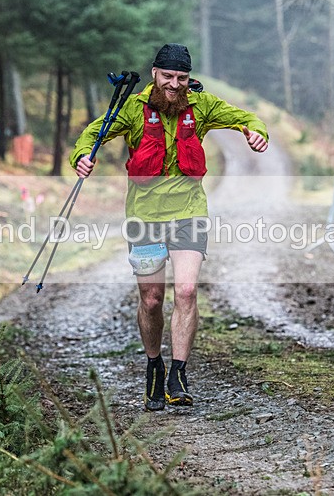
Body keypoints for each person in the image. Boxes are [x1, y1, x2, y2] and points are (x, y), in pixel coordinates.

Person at [70, 43, 268, 410]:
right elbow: (92, 134)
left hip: (189, 212)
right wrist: (82, 156)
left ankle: (179, 372)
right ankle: (154, 366)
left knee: (188, 290)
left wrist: (255, 134)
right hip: (144, 217)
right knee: (151, 299)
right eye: (168, 77)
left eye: (181, 78)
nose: (175, 85)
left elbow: (247, 118)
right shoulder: (132, 109)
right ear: (154, 75)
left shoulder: (202, 106)